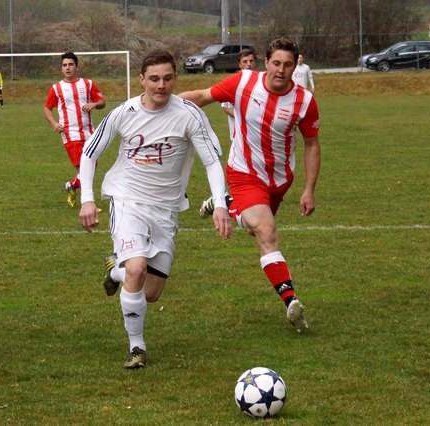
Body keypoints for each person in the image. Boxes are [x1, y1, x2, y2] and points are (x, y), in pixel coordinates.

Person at [79, 49, 232, 369]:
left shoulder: (189, 114)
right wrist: (88, 199)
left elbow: (211, 162)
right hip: (127, 200)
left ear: (175, 78)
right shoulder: (125, 112)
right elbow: (90, 153)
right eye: (154, 79)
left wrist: (220, 204)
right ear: (141, 80)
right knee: (137, 269)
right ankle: (137, 348)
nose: (161, 85)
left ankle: (114, 270)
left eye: (167, 78)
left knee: (151, 292)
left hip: (166, 209)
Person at [179, 37, 321, 334]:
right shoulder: (243, 82)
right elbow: (203, 95)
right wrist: (162, 102)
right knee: (267, 233)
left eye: (288, 65)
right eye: (276, 63)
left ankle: (228, 204)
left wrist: (309, 189)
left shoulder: (304, 100)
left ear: (296, 66)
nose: (281, 70)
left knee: (255, 227)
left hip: (280, 180)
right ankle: (292, 303)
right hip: (244, 172)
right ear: (265, 62)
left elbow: (311, 144)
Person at [200, 48, 258, 217]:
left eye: (251, 61)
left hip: (258, 136)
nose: (248, 64)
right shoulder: (235, 82)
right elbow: (225, 106)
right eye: (244, 62)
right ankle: (224, 199)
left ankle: (231, 198)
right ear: (239, 64)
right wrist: (244, 115)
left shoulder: (260, 82)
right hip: (239, 136)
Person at [44, 52, 105, 208]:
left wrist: (95, 104)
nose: (67, 68)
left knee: (91, 166)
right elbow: (47, 109)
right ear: (61, 68)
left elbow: (102, 102)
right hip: (70, 133)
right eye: (64, 65)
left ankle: (72, 186)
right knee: (84, 167)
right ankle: (89, 203)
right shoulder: (56, 88)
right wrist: (54, 123)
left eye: (70, 64)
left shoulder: (88, 84)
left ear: (77, 66)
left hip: (90, 132)